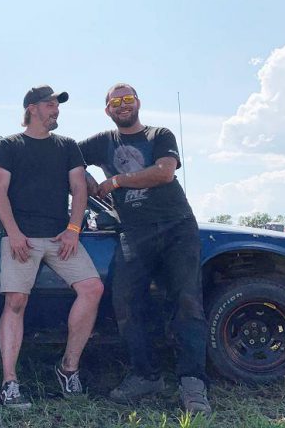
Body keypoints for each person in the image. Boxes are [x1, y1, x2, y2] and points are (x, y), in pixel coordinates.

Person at [78, 83, 211, 415]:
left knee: (186, 300)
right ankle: (145, 375)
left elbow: (165, 172)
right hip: (133, 232)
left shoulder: (159, 134)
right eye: (115, 101)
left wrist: (116, 181)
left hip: (176, 225)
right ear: (107, 109)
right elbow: (64, 156)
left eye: (128, 99)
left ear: (138, 103)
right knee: (125, 301)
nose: (122, 105)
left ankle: (193, 384)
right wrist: (87, 181)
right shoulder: (101, 142)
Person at [0, 85, 104, 408]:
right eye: (50, 103)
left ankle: (68, 368)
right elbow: (0, 192)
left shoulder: (67, 146)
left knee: (93, 288)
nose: (56, 109)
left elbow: (79, 188)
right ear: (32, 108)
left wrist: (73, 229)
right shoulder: (9, 145)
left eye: (57, 104)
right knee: (15, 301)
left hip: (60, 236)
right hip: (21, 236)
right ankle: (9, 383)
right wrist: (12, 232)